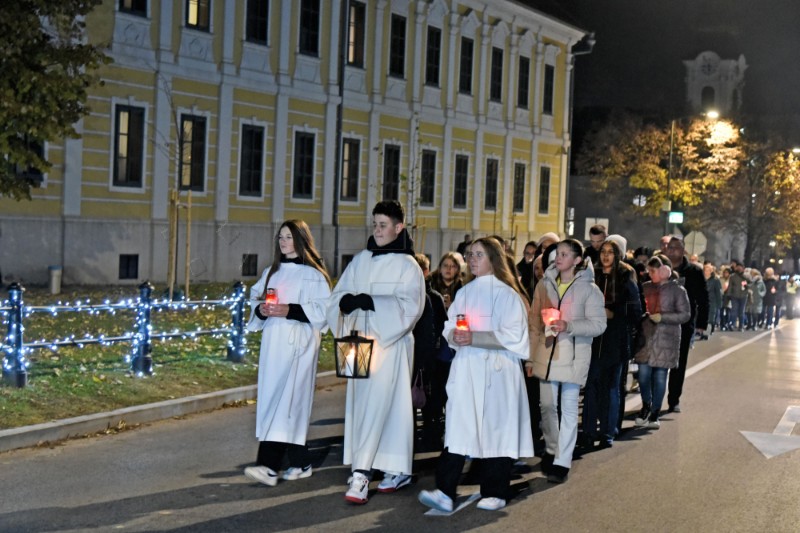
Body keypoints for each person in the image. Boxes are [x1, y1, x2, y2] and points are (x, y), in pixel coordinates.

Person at [418, 237, 532, 513]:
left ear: (494, 258)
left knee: (496, 428)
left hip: (498, 370)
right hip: (468, 368)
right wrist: (454, 335)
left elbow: (515, 337)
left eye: (478, 255)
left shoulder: (508, 295)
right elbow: (450, 325)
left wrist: (474, 338)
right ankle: (445, 491)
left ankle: (495, 490)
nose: (471, 260)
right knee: (459, 427)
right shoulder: (465, 293)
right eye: (470, 255)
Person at [327, 200, 425, 505]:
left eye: (383, 225)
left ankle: (362, 472)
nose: (378, 230)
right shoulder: (360, 261)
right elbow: (337, 297)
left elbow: (411, 307)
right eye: (375, 224)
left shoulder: (409, 266)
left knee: (386, 405)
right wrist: (345, 304)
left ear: (399, 228)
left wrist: (371, 303)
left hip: (390, 344)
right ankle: (393, 466)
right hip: (359, 342)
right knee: (363, 405)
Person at [243, 220, 332, 487]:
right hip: (273, 344)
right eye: (280, 237)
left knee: (285, 401)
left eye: (288, 237)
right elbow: (256, 300)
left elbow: (323, 311)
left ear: (301, 240)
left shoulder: (314, 275)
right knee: (278, 401)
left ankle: (269, 466)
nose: (283, 242)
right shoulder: (272, 272)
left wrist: (289, 310)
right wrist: (262, 310)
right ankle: (300, 461)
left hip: (299, 346)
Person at [529, 239, 606, 483]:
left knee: (569, 408)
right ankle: (553, 448)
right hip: (547, 354)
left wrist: (569, 325)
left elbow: (599, 325)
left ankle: (562, 461)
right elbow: (533, 322)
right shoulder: (545, 284)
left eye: (564, 254)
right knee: (547, 407)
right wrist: (531, 356)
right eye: (557, 254)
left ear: (577, 260)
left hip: (574, 355)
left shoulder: (589, 289)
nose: (558, 257)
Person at [582, 236, 641, 449]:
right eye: (603, 251)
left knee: (611, 388)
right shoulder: (592, 275)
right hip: (593, 340)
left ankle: (608, 431)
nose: (606, 256)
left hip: (615, 341)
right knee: (591, 388)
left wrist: (613, 312)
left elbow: (636, 310)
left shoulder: (625, 276)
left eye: (610, 252)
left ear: (617, 255)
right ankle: (588, 431)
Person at [634, 254, 690, 429]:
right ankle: (646, 406)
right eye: (649, 270)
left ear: (665, 270)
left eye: (653, 270)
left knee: (659, 376)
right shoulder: (646, 288)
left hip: (666, 338)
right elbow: (637, 308)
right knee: (643, 375)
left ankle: (655, 413)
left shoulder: (678, 290)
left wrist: (663, 317)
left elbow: (685, 314)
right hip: (647, 337)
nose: (650, 274)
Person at [664, 236, 708, 413]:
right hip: (661, 322)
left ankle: (674, 398)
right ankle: (650, 401)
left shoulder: (693, 272)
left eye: (675, 248)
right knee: (656, 362)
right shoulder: (660, 267)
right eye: (669, 247)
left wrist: (702, 323)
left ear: (683, 251)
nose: (671, 250)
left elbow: (703, 298)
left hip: (683, 323)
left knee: (678, 363)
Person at [726, 260, 748, 331]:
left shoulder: (745, 276)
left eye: (740, 267)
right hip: (734, 295)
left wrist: (746, 284)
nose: (739, 268)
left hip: (743, 295)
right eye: (738, 267)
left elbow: (750, 283)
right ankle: (732, 324)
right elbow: (730, 286)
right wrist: (729, 295)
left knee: (741, 311)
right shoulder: (733, 276)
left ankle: (741, 326)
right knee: (734, 310)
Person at [704, 263, 723, 335]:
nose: (707, 271)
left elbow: (718, 292)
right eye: (706, 270)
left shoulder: (715, 280)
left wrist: (719, 303)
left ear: (711, 271)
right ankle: (703, 332)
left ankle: (707, 333)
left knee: (710, 318)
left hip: (712, 302)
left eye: (709, 270)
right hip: (703, 301)